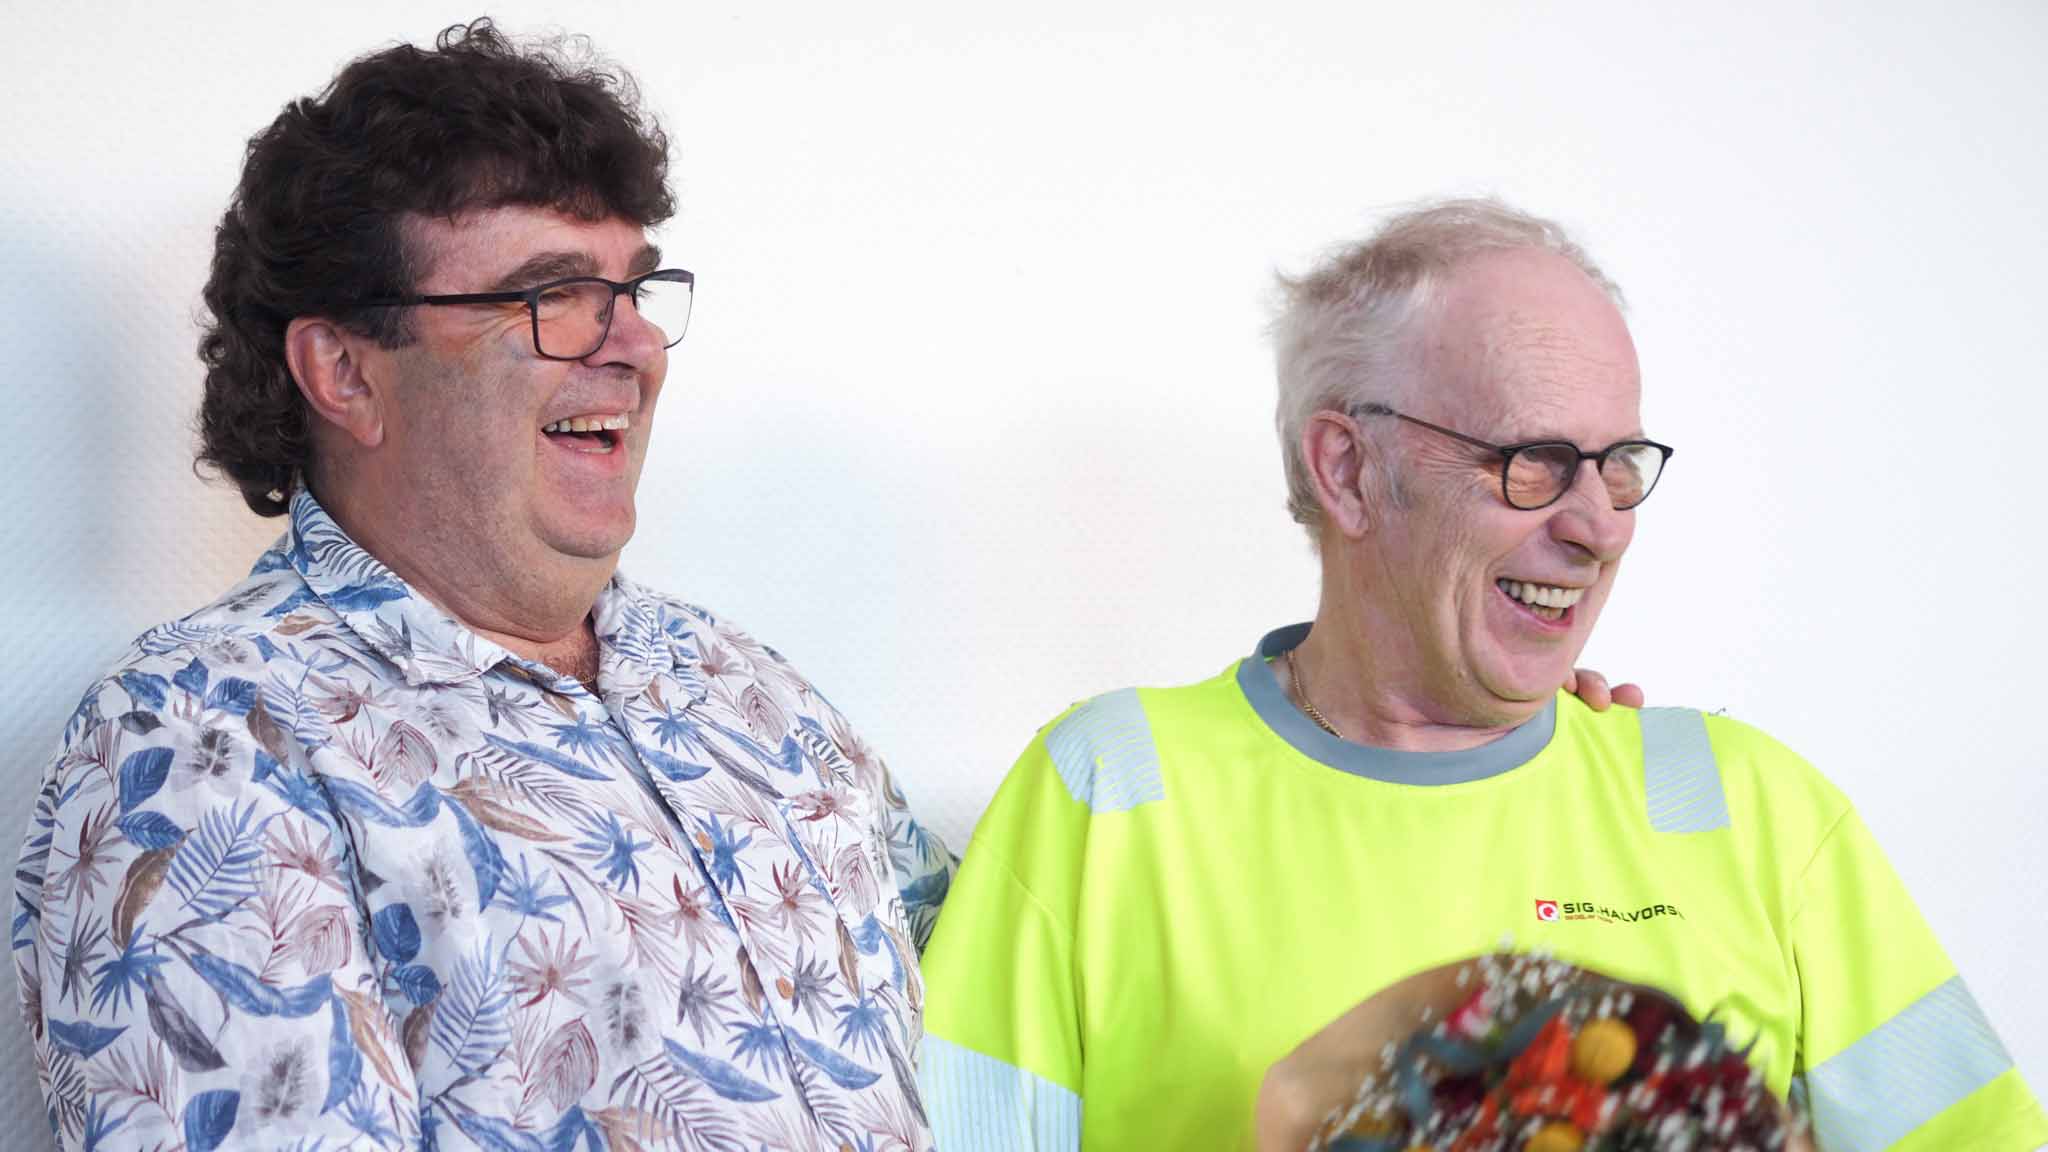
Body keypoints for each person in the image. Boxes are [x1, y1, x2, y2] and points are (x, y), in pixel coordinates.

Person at [916, 199, 2048, 1151]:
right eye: (1534, 462)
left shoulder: (1748, 808)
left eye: (1617, 464)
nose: (1599, 527)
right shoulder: (1109, 791)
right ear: (1348, 470)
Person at [10, 22, 957, 1152]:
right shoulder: (204, 741)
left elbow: (1015, 1033)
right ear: (346, 372)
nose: (634, 346)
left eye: (635, 289)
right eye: (553, 294)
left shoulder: (751, 690)